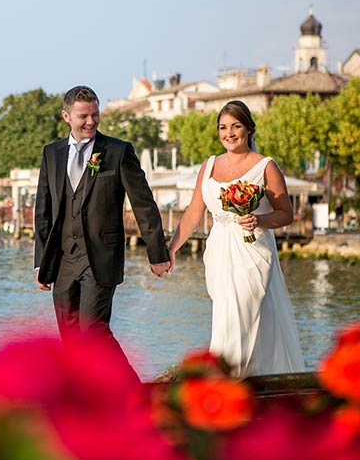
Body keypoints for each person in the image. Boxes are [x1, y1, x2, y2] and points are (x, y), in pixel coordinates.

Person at [167, 100, 305, 377]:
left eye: (235, 126)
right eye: (223, 127)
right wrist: (170, 250)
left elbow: (286, 214)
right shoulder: (208, 166)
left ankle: (226, 380)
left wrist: (259, 220)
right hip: (218, 250)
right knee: (226, 315)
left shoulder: (265, 166)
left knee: (241, 312)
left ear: (249, 129)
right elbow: (195, 212)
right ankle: (254, 378)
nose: (228, 133)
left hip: (252, 250)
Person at [34, 85, 170, 342]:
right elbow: (44, 209)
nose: (91, 121)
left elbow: (143, 204)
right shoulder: (51, 153)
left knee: (93, 333)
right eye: (83, 116)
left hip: (100, 257)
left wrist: (157, 253)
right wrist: (41, 261)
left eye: (95, 114)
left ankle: (127, 383)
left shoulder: (118, 151)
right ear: (66, 117)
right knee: (70, 336)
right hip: (62, 260)